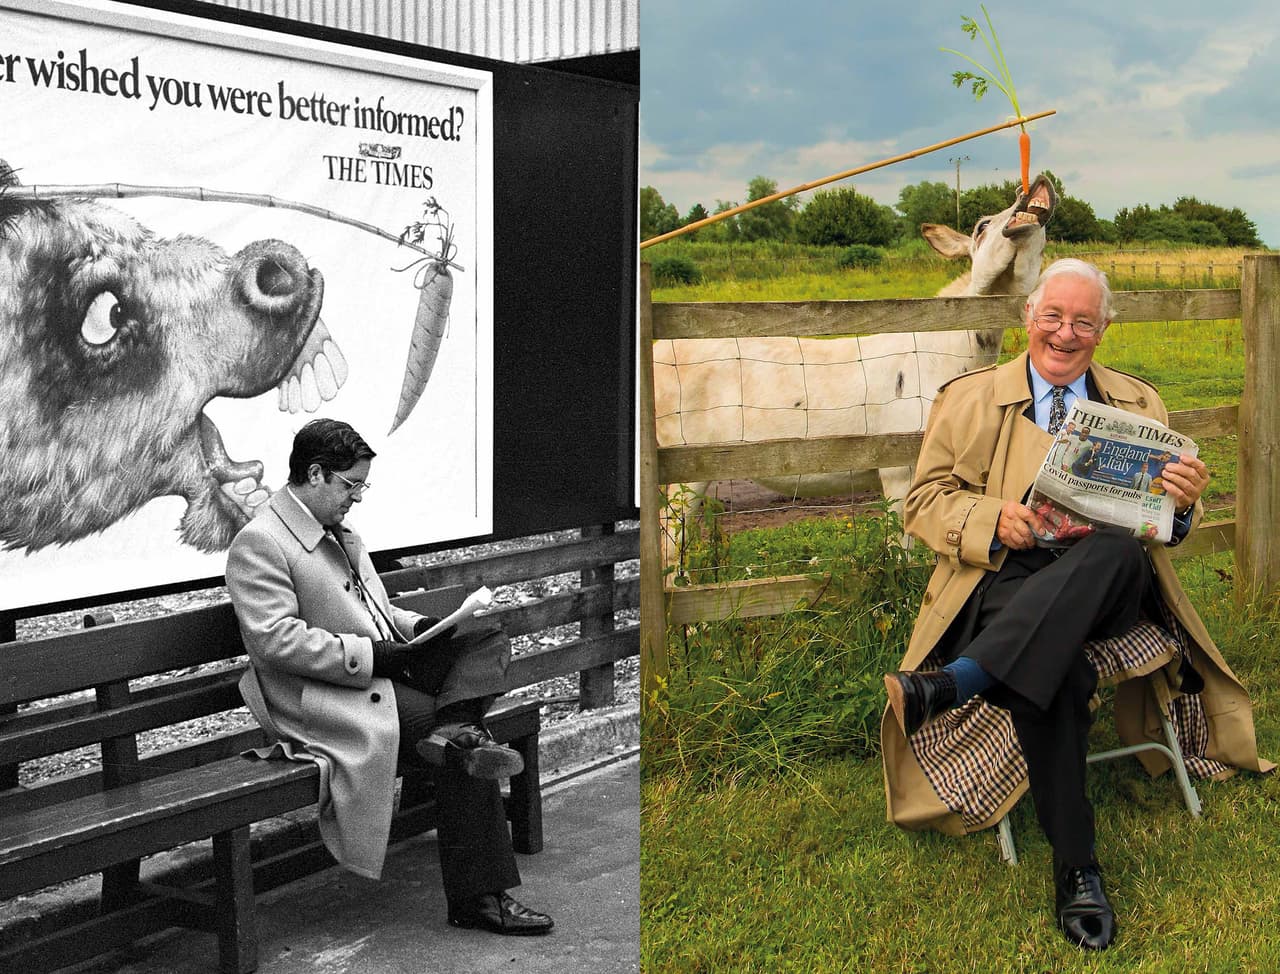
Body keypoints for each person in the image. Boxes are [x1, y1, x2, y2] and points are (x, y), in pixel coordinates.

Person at [882, 259, 1271, 951]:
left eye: (1083, 322)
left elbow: (1165, 526)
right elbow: (922, 502)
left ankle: (961, 681)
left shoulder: (1138, 403)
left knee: (1116, 550)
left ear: (1104, 329)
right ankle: (1078, 868)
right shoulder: (969, 398)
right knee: (1057, 670)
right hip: (1006, 576)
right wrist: (989, 517)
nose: (1065, 334)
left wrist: (1183, 505)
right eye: (1053, 317)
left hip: (1111, 580)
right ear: (1028, 319)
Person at [226, 418, 554, 936]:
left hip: (378, 672)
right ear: (315, 474)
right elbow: (275, 641)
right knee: (465, 747)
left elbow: (376, 610)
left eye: (362, 485)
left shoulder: (340, 532)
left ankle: (452, 729)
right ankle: (480, 898)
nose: (357, 497)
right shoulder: (260, 542)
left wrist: (422, 627)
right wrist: (370, 656)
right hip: (327, 697)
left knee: (486, 640)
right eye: (350, 484)